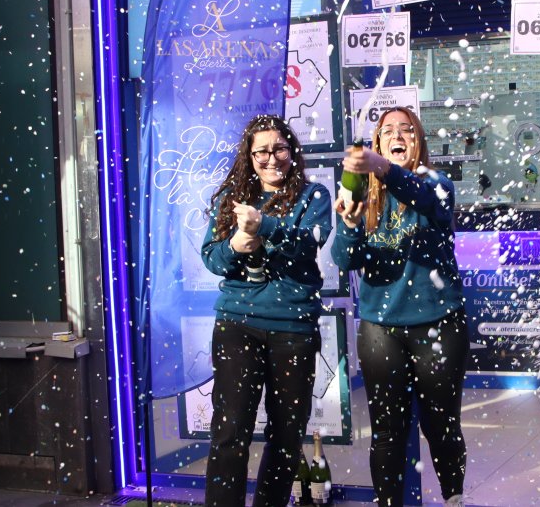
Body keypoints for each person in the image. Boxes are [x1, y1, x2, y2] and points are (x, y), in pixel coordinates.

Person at [331, 106, 467, 507]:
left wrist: (385, 171)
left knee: (441, 425)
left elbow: (426, 198)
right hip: (379, 328)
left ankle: (453, 500)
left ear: (418, 141)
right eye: (388, 130)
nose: (398, 134)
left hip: (438, 324)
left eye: (407, 129)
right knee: (387, 430)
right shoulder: (357, 194)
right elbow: (344, 259)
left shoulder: (436, 183)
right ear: (377, 143)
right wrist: (352, 226)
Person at [199, 114, 333, 507]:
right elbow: (213, 258)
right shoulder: (232, 199)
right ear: (249, 155)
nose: (272, 158)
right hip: (237, 326)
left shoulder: (314, 196)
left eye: (279, 148)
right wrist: (236, 246)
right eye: (262, 151)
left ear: (292, 151)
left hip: (293, 329)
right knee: (229, 432)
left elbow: (309, 243)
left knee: (287, 436)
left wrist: (265, 226)